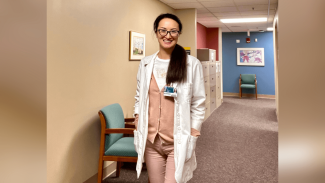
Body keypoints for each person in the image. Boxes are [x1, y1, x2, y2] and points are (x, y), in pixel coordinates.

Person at [133, 13, 206, 183]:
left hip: (177, 140)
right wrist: (137, 116)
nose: (168, 35)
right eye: (163, 30)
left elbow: (198, 102)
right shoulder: (145, 64)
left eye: (173, 31)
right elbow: (139, 95)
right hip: (151, 140)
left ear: (178, 33)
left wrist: (195, 129)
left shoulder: (191, 64)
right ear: (156, 32)